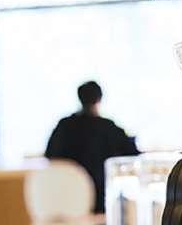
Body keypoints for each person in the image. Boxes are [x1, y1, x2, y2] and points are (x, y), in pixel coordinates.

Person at [44, 81, 138, 213]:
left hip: (69, 199)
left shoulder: (64, 126)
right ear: (100, 98)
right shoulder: (109, 128)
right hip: (102, 199)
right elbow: (132, 153)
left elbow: (50, 155)